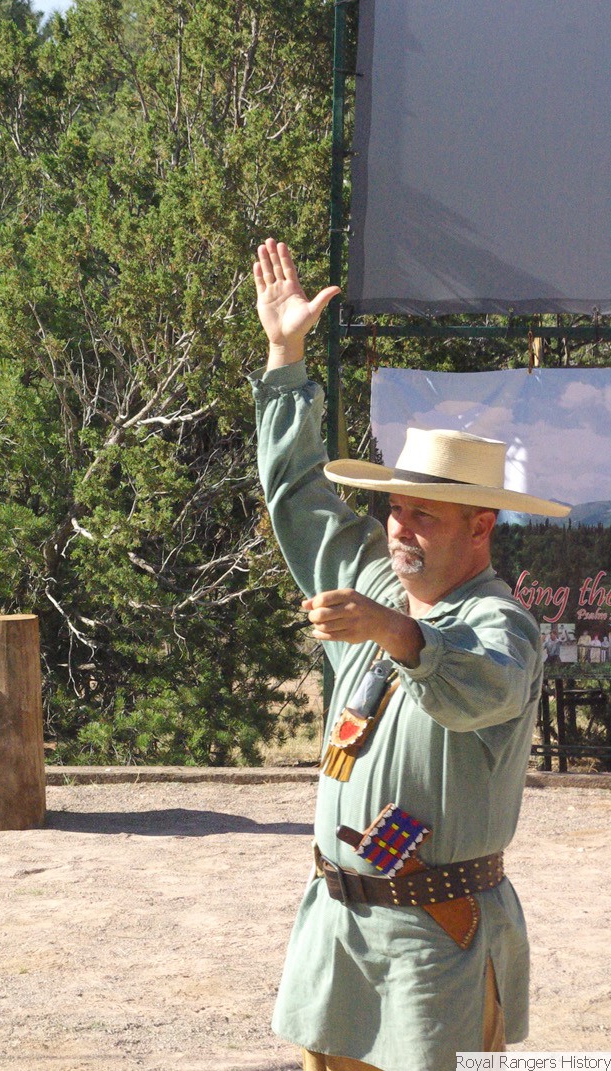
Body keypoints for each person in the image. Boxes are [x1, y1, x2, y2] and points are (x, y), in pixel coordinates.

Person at [250, 239, 569, 1071]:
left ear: (481, 525)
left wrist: (397, 633)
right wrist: (285, 355)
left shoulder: (504, 624)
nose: (400, 527)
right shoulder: (373, 580)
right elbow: (296, 494)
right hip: (339, 931)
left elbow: (481, 685)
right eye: (395, 508)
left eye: (424, 514)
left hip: (439, 941)